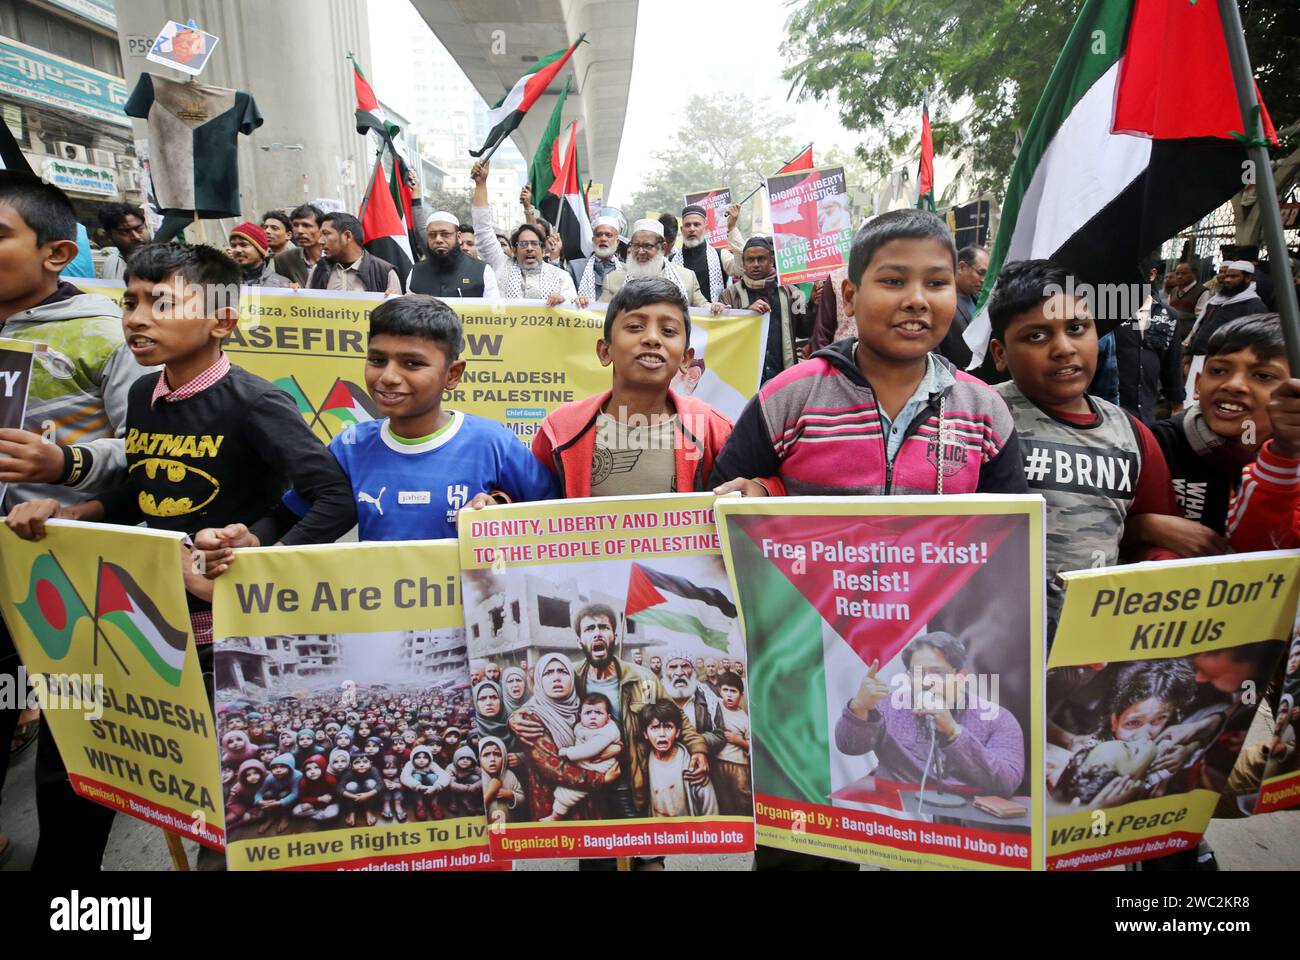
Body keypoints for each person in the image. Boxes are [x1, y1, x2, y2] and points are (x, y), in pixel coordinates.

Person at [0, 173, 147, 867]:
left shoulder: (107, 332)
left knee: (73, 730)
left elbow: (151, 446)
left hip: (64, 567)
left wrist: (66, 465)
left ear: (56, 254)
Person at [711, 209, 1026, 500]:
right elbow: (721, 503)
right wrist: (769, 494)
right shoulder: (788, 398)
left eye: (936, 283)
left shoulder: (984, 411)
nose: (917, 300)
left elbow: (1009, 537)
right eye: (893, 281)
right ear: (850, 297)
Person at [212, 296, 556, 551]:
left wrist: (501, 507)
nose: (388, 377)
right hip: (384, 628)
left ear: (452, 374)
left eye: (412, 363)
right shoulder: (350, 446)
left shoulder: (492, 442)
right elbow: (292, 514)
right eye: (377, 360)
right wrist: (252, 538)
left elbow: (553, 517)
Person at [985, 258, 1180, 636]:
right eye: (1036, 336)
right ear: (1000, 353)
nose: (1063, 348)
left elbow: (1155, 538)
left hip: (1093, 649)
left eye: (1077, 328)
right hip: (997, 646)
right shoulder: (978, 417)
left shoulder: (1133, 435)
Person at [532, 279, 733, 497]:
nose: (652, 339)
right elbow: (523, 502)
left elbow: (753, 495)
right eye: (635, 327)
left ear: (686, 359)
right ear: (605, 351)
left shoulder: (712, 430)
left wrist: (760, 488)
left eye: (668, 330)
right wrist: (495, 499)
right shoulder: (561, 430)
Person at [1144, 315, 1286, 542]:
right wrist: (1143, 526)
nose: (1233, 385)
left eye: (1262, 376)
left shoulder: (1291, 465)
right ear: (1198, 384)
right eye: (1219, 371)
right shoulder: (1155, 444)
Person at [836, 632, 1025, 796]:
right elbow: (849, 746)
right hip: (897, 815)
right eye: (917, 674)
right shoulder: (888, 705)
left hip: (964, 825)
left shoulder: (997, 718)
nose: (926, 682)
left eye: (938, 673)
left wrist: (954, 732)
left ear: (961, 677)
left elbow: (1006, 783)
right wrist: (859, 707)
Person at [470, 160, 577, 303]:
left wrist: (563, 302)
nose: (529, 249)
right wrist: (481, 184)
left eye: (534, 244)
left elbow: (572, 313)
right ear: (514, 249)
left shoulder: (561, 277)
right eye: (523, 244)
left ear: (543, 248)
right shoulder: (501, 265)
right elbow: (482, 230)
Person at [718, 236, 809, 384]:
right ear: (743, 262)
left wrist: (814, 304)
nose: (755, 264)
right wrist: (746, 313)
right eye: (750, 260)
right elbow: (723, 337)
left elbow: (805, 331)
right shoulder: (729, 295)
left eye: (761, 259)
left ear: (771, 260)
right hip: (744, 377)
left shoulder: (791, 292)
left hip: (782, 374)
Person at [544, 693, 623, 821]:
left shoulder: (607, 732)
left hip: (598, 767)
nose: (593, 716)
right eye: (588, 713)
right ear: (580, 716)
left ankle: (555, 816)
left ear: (608, 718)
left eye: (598, 713)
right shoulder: (582, 726)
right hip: (586, 765)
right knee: (566, 788)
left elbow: (589, 750)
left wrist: (568, 752)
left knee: (569, 794)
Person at [1114, 283, 1184, 424]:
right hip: (1113, 408)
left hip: (1147, 410)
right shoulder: (1108, 310)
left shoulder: (1168, 315)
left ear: (1151, 274)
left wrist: (1177, 401)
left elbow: (1172, 363)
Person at [600, 219, 709, 308]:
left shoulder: (686, 278)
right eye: (636, 246)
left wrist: (716, 309)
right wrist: (584, 304)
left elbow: (705, 309)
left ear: (663, 247)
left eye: (647, 246)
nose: (640, 252)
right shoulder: (613, 280)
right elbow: (598, 316)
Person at [643, 698, 719, 817]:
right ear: (645, 734)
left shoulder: (691, 765)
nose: (662, 734)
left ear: (678, 732)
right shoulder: (646, 762)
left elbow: (710, 808)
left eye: (668, 727)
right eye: (655, 728)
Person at [1185, 260, 1267, 358]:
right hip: (1197, 357)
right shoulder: (1215, 301)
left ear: (1247, 278)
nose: (1227, 280)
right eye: (1227, 276)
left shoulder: (1254, 306)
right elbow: (1199, 328)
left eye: (1233, 277)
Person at [408, 212, 498, 298]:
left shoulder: (483, 271)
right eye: (432, 235)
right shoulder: (415, 272)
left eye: (445, 234)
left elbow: (493, 311)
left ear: (458, 237)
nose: (438, 239)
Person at [308, 211, 402, 295]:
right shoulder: (319, 270)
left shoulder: (384, 272)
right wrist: (295, 293)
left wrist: (391, 299)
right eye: (320, 235)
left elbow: (396, 312)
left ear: (347, 236)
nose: (320, 241)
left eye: (326, 234)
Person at [671, 202, 744, 302]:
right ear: (682, 230)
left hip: (715, 316)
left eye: (696, 225)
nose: (692, 229)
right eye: (688, 225)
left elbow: (741, 269)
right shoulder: (671, 261)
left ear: (706, 228)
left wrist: (732, 228)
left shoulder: (720, 255)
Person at [936, 244, 987, 368]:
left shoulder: (980, 300)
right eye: (981, 273)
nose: (984, 280)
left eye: (987, 275)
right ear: (961, 267)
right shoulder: (940, 302)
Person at [714, 670, 752, 815]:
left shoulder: (744, 718)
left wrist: (738, 740)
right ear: (719, 691)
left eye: (733, 691)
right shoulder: (716, 706)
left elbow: (751, 746)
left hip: (739, 765)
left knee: (743, 797)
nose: (729, 695)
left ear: (741, 695)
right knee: (722, 798)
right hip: (718, 762)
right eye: (725, 690)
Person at [571, 215, 623, 302]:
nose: (603, 239)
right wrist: (575, 300)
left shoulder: (627, 272)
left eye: (608, 235)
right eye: (599, 235)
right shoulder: (575, 267)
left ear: (617, 242)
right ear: (593, 240)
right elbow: (566, 297)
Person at [274, 203, 327, 286]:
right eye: (295, 225)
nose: (300, 231)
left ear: (321, 229)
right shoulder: (283, 260)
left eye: (306, 225)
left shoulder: (337, 257)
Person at [227, 221, 292, 288]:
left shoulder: (282, 285)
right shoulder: (223, 281)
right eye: (233, 246)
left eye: (244, 245)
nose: (238, 250)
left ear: (260, 250)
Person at [97, 202, 149, 279]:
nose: (136, 237)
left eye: (139, 229)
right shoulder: (111, 263)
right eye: (125, 232)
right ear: (109, 235)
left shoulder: (166, 266)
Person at [480, 736, 524, 825]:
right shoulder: (479, 778)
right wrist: (490, 792)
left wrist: (511, 795)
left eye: (497, 754)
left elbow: (522, 798)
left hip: (508, 823)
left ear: (504, 757)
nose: (492, 759)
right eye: (486, 755)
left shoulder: (509, 775)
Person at [1164, 261, 1210, 345]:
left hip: (1186, 340)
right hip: (1170, 338)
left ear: (1193, 274)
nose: (1180, 276)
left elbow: (1201, 321)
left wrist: (1187, 342)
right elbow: (1166, 314)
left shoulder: (1202, 292)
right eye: (1177, 274)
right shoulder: (1174, 291)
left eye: (1184, 273)